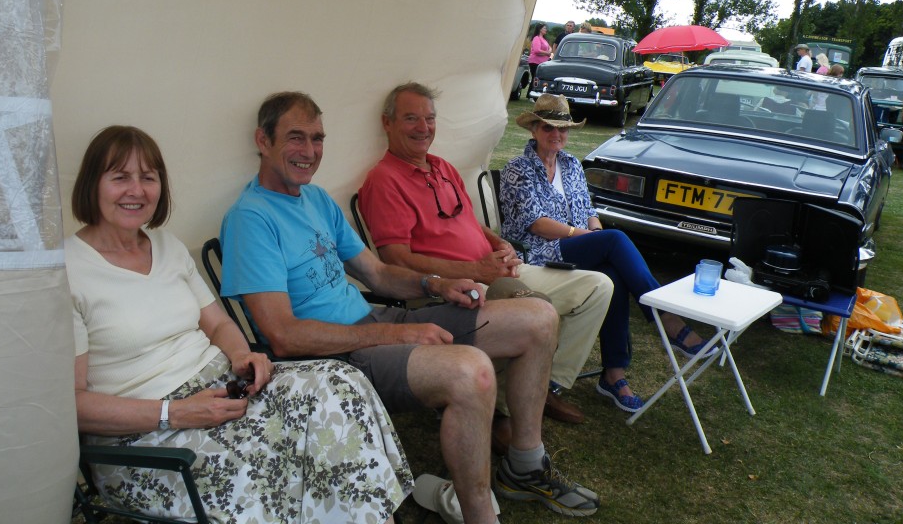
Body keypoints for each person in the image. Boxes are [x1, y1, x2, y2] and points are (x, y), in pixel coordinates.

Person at [220, 92, 600, 522]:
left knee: (538, 318)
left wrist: (437, 283)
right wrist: (397, 333)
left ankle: (525, 466)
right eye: (295, 138)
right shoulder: (251, 219)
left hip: (377, 322)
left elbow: (377, 274)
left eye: (317, 138)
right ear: (263, 141)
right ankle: (479, 514)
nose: (309, 152)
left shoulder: (316, 199)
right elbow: (284, 337)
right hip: (333, 360)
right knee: (469, 372)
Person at [67, 126, 411, 524]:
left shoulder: (165, 245)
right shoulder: (67, 273)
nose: (137, 190)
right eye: (120, 177)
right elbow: (71, 405)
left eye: (148, 177)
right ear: (93, 183)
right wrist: (173, 413)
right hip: (147, 434)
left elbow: (216, 324)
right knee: (268, 460)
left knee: (341, 382)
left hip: (220, 390)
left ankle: (366, 515)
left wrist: (242, 354)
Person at [359, 83, 613, 429]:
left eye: (429, 118)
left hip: (497, 270)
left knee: (598, 287)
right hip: (449, 289)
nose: (423, 127)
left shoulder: (443, 169)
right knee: (527, 305)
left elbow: (470, 223)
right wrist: (476, 268)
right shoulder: (384, 180)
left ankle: (545, 383)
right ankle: (506, 411)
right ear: (387, 123)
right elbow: (396, 260)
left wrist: (499, 244)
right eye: (411, 118)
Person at [498, 94, 716, 413]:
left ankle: (614, 375)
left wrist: (594, 233)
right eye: (548, 128)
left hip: (573, 248)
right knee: (614, 241)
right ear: (533, 129)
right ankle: (663, 316)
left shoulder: (571, 164)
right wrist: (586, 236)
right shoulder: (517, 169)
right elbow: (536, 224)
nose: (556, 135)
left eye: (563, 129)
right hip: (538, 253)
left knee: (613, 272)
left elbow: (587, 208)